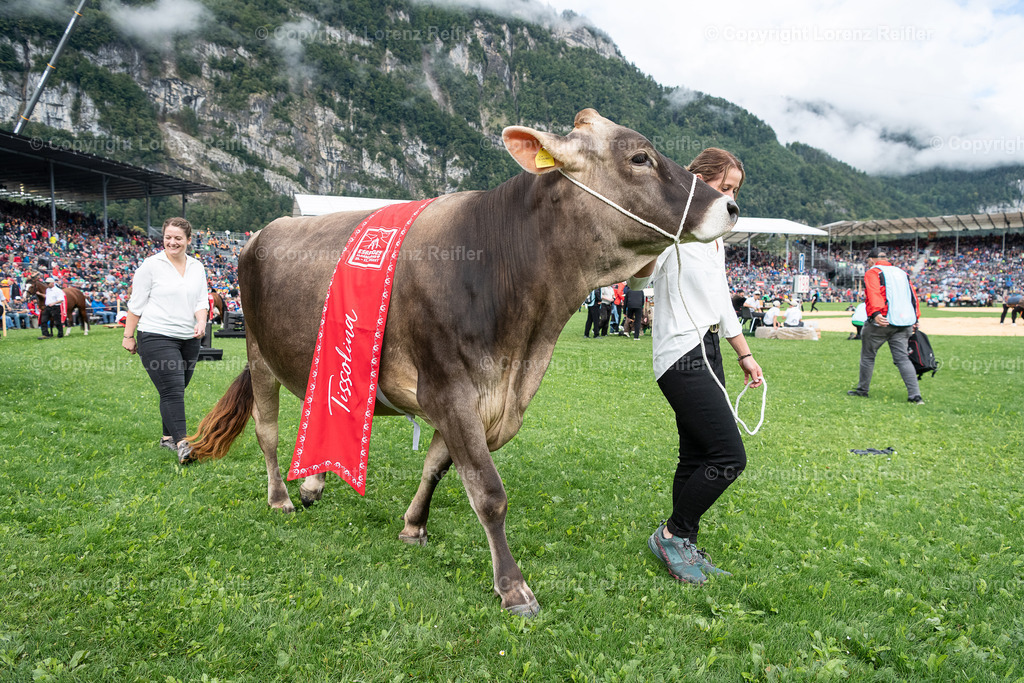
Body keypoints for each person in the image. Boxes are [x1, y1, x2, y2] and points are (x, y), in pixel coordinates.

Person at [632, 148, 764, 585]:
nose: (730, 197)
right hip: (680, 352)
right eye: (724, 187)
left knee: (696, 453)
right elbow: (639, 280)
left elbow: (722, 299)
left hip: (710, 347)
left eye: (735, 191)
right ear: (698, 179)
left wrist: (744, 353)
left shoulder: (713, 237)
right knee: (729, 457)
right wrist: (656, 240)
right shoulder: (673, 225)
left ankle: (683, 542)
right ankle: (672, 535)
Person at [122, 217, 209, 464]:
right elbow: (136, 304)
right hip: (156, 335)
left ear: (188, 240)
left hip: (189, 337)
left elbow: (201, 300)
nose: (172, 242)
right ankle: (183, 444)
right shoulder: (151, 265)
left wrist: (201, 322)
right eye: (168, 237)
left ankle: (167, 437)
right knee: (172, 389)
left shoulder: (197, 267)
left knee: (177, 387)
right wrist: (128, 336)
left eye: (178, 238)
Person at [847, 248, 923, 404]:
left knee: (868, 356)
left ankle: (862, 390)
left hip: (882, 321)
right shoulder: (902, 273)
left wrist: (876, 313)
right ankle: (915, 396)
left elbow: (873, 292)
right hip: (903, 322)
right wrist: (916, 317)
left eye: (868, 261)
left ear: (872, 260)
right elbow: (912, 296)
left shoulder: (873, 272)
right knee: (902, 359)